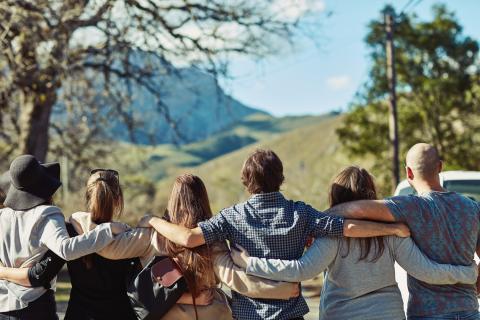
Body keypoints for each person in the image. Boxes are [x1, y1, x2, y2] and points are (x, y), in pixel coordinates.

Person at [137, 149, 411, 320]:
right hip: (290, 314)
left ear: (246, 182)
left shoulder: (231, 217)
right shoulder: (301, 213)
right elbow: (347, 227)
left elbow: (188, 238)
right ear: (280, 178)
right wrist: (391, 229)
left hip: (249, 315)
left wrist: (151, 220)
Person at [0, 170, 298, 319]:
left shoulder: (140, 236)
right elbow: (237, 279)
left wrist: (87, 220)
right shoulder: (213, 239)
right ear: (118, 199)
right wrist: (283, 290)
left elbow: (107, 250)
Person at [230, 166, 478, 320]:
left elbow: (301, 270)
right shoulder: (392, 233)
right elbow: (427, 272)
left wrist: (250, 263)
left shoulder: (332, 236)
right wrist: (467, 273)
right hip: (388, 315)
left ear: (337, 198)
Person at [325, 143, 480, 320]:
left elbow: (357, 210)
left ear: (409, 173)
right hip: (470, 310)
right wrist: (475, 282)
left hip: (428, 313)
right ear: (440, 167)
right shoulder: (472, 207)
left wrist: (316, 219)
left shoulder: (410, 207)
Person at [0, 155, 126, 320]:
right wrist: (107, 230)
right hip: (34, 306)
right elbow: (63, 251)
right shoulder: (48, 214)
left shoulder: (2, 215)